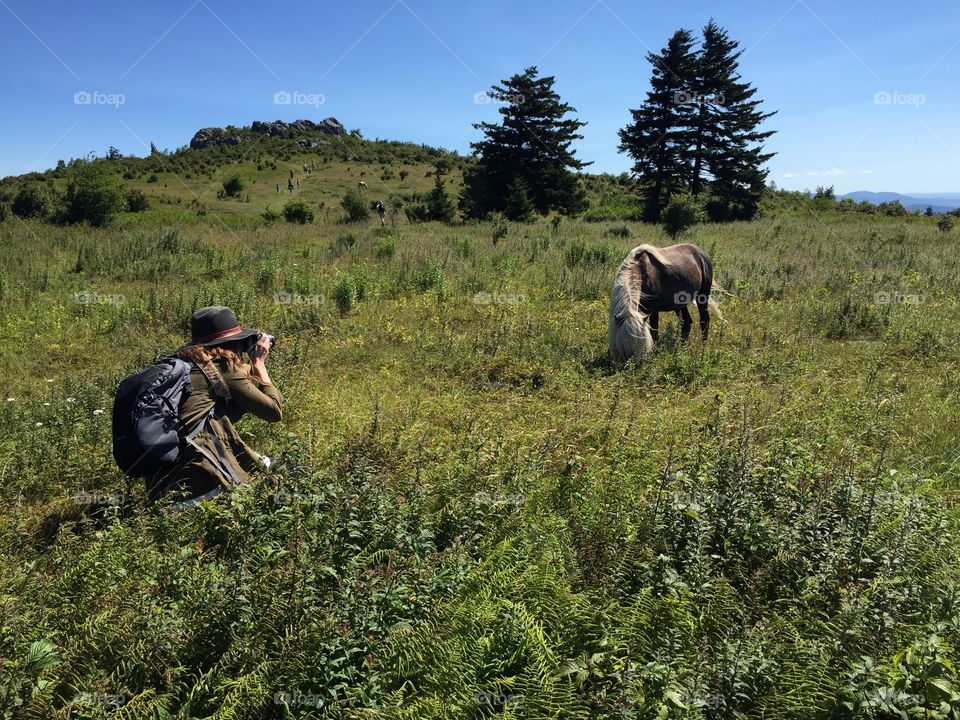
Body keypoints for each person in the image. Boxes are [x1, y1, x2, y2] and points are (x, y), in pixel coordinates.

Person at [146, 306, 283, 507]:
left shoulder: (184, 365)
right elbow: (273, 411)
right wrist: (258, 363)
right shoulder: (223, 366)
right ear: (230, 343)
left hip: (160, 490)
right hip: (203, 484)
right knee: (277, 477)